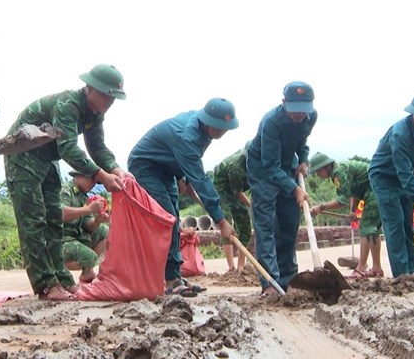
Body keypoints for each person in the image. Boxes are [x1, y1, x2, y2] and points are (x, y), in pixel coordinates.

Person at [5, 64, 128, 301]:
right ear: (90, 88)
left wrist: (115, 169)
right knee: (35, 220)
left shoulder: (94, 113)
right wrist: (102, 176)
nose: (110, 101)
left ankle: (61, 279)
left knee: (54, 220)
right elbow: (69, 148)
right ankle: (45, 284)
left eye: (113, 97)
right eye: (106, 94)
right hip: (23, 156)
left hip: (47, 159)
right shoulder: (69, 104)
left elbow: (97, 147)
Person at [128, 98, 238, 297]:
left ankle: (175, 274)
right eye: (219, 128)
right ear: (208, 122)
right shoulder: (187, 136)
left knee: (175, 218)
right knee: (168, 219)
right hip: (146, 165)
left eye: (225, 128)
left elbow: (186, 161)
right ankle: (170, 279)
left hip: (168, 166)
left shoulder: (202, 129)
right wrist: (221, 221)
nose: (223, 132)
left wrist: (182, 177)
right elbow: (201, 179)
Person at [247, 81, 316, 296]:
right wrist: (295, 189)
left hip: (287, 167)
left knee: (289, 223)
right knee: (266, 227)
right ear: (284, 102)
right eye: (295, 111)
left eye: (303, 111)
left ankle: (288, 278)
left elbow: (301, 142)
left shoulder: (310, 117)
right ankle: (270, 283)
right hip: (263, 170)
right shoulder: (271, 122)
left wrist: (303, 159)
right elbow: (270, 166)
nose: (299, 116)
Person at [368, 92, 414, 277]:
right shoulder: (400, 133)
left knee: (408, 225)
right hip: (385, 177)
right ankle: (402, 276)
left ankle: (413, 272)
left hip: (406, 178)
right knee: (396, 224)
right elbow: (404, 172)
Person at [309, 153, 384, 279]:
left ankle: (361, 268)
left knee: (366, 228)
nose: (318, 175)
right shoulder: (340, 171)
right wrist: (352, 211)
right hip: (374, 189)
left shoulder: (340, 172)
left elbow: (341, 201)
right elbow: (355, 192)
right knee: (372, 231)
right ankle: (377, 268)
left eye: (318, 171)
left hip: (376, 190)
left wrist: (321, 207)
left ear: (326, 167)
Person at [61, 172, 110, 284]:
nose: (93, 184)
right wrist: (88, 209)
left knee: (105, 231)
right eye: (92, 179)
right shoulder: (65, 190)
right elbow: (61, 213)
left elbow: (87, 226)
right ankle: (56, 266)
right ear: (80, 175)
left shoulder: (83, 196)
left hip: (75, 236)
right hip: (60, 239)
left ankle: (87, 273)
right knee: (90, 257)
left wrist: (98, 220)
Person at [212, 143, 252, 272]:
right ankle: (231, 267)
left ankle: (241, 266)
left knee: (245, 224)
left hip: (236, 188)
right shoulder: (237, 167)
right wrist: (252, 206)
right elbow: (238, 193)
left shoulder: (257, 164)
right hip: (222, 187)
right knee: (226, 224)